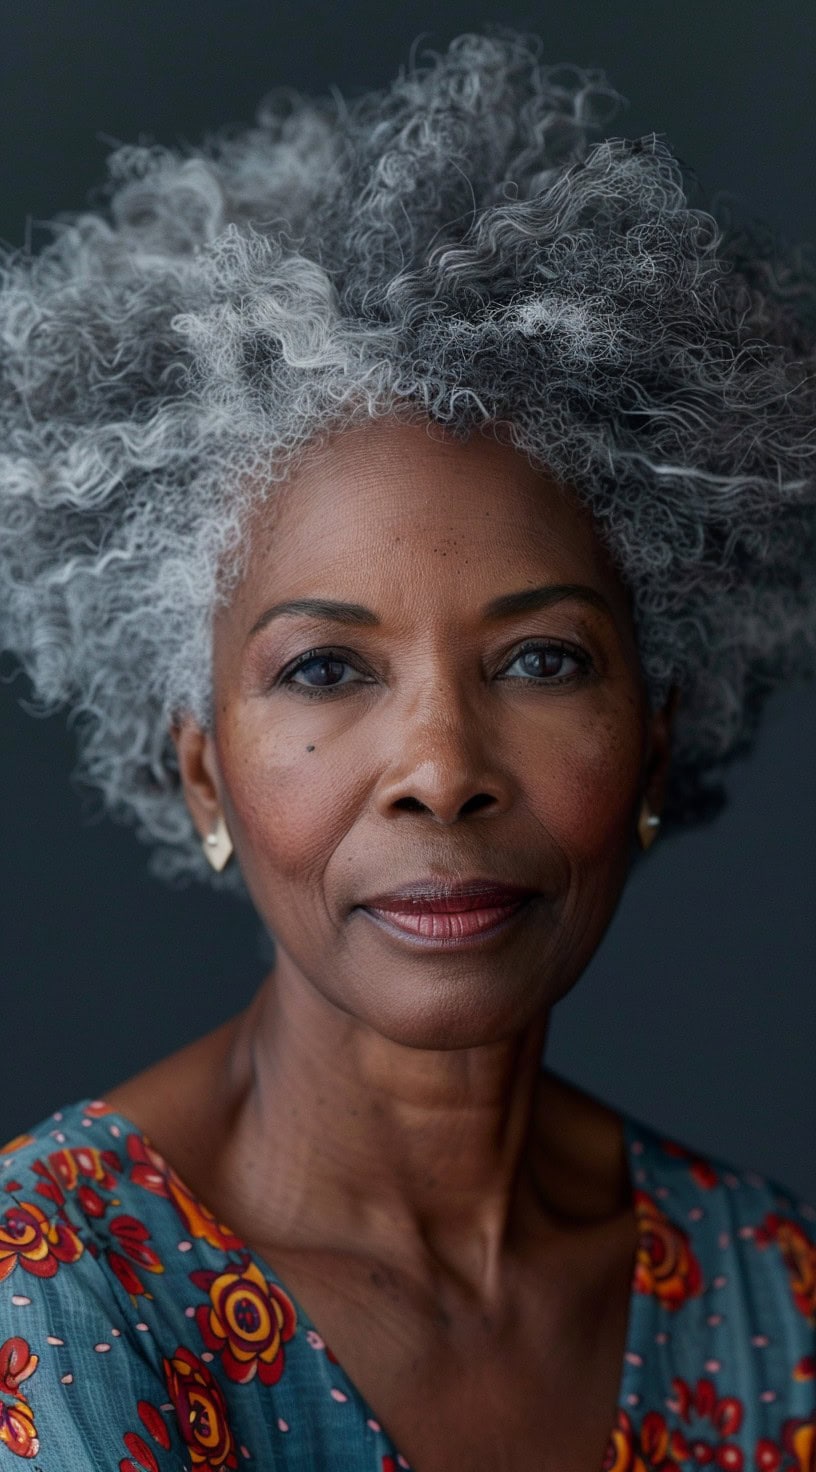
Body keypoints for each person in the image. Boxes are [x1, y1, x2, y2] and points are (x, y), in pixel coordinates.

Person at [0, 27, 814, 1472]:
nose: (441, 766)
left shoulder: (776, 1293)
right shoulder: (53, 1292)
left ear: (658, 731)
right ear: (201, 770)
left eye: (542, 658)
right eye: (326, 667)